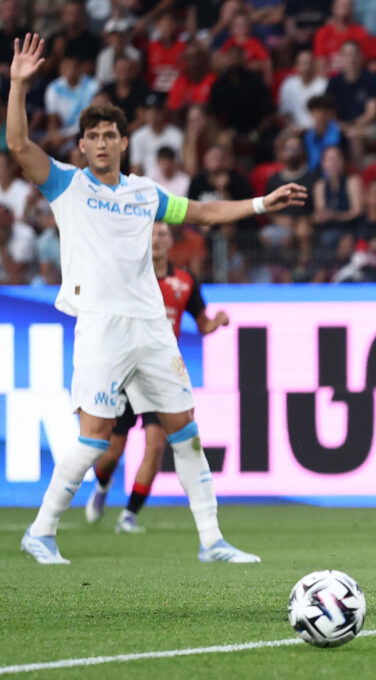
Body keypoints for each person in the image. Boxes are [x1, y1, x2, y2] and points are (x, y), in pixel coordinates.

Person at [9, 34, 306, 564]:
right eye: (93, 136)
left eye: (110, 135)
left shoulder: (145, 193)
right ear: (82, 146)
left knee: (184, 429)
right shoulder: (68, 187)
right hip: (101, 324)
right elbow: (17, 146)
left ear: (125, 142)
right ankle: (42, 530)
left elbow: (206, 214)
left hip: (152, 326)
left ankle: (212, 540)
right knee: (96, 436)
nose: (101, 144)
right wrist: (17, 85)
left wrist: (264, 201)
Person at [85, 222, 230, 533]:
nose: (157, 239)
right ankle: (103, 483)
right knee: (112, 451)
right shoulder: (128, 278)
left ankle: (129, 515)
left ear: (170, 242)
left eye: (163, 233)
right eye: (151, 233)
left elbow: (202, 324)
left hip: (159, 373)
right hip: (126, 371)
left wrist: (216, 320)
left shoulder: (185, 281)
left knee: (155, 445)